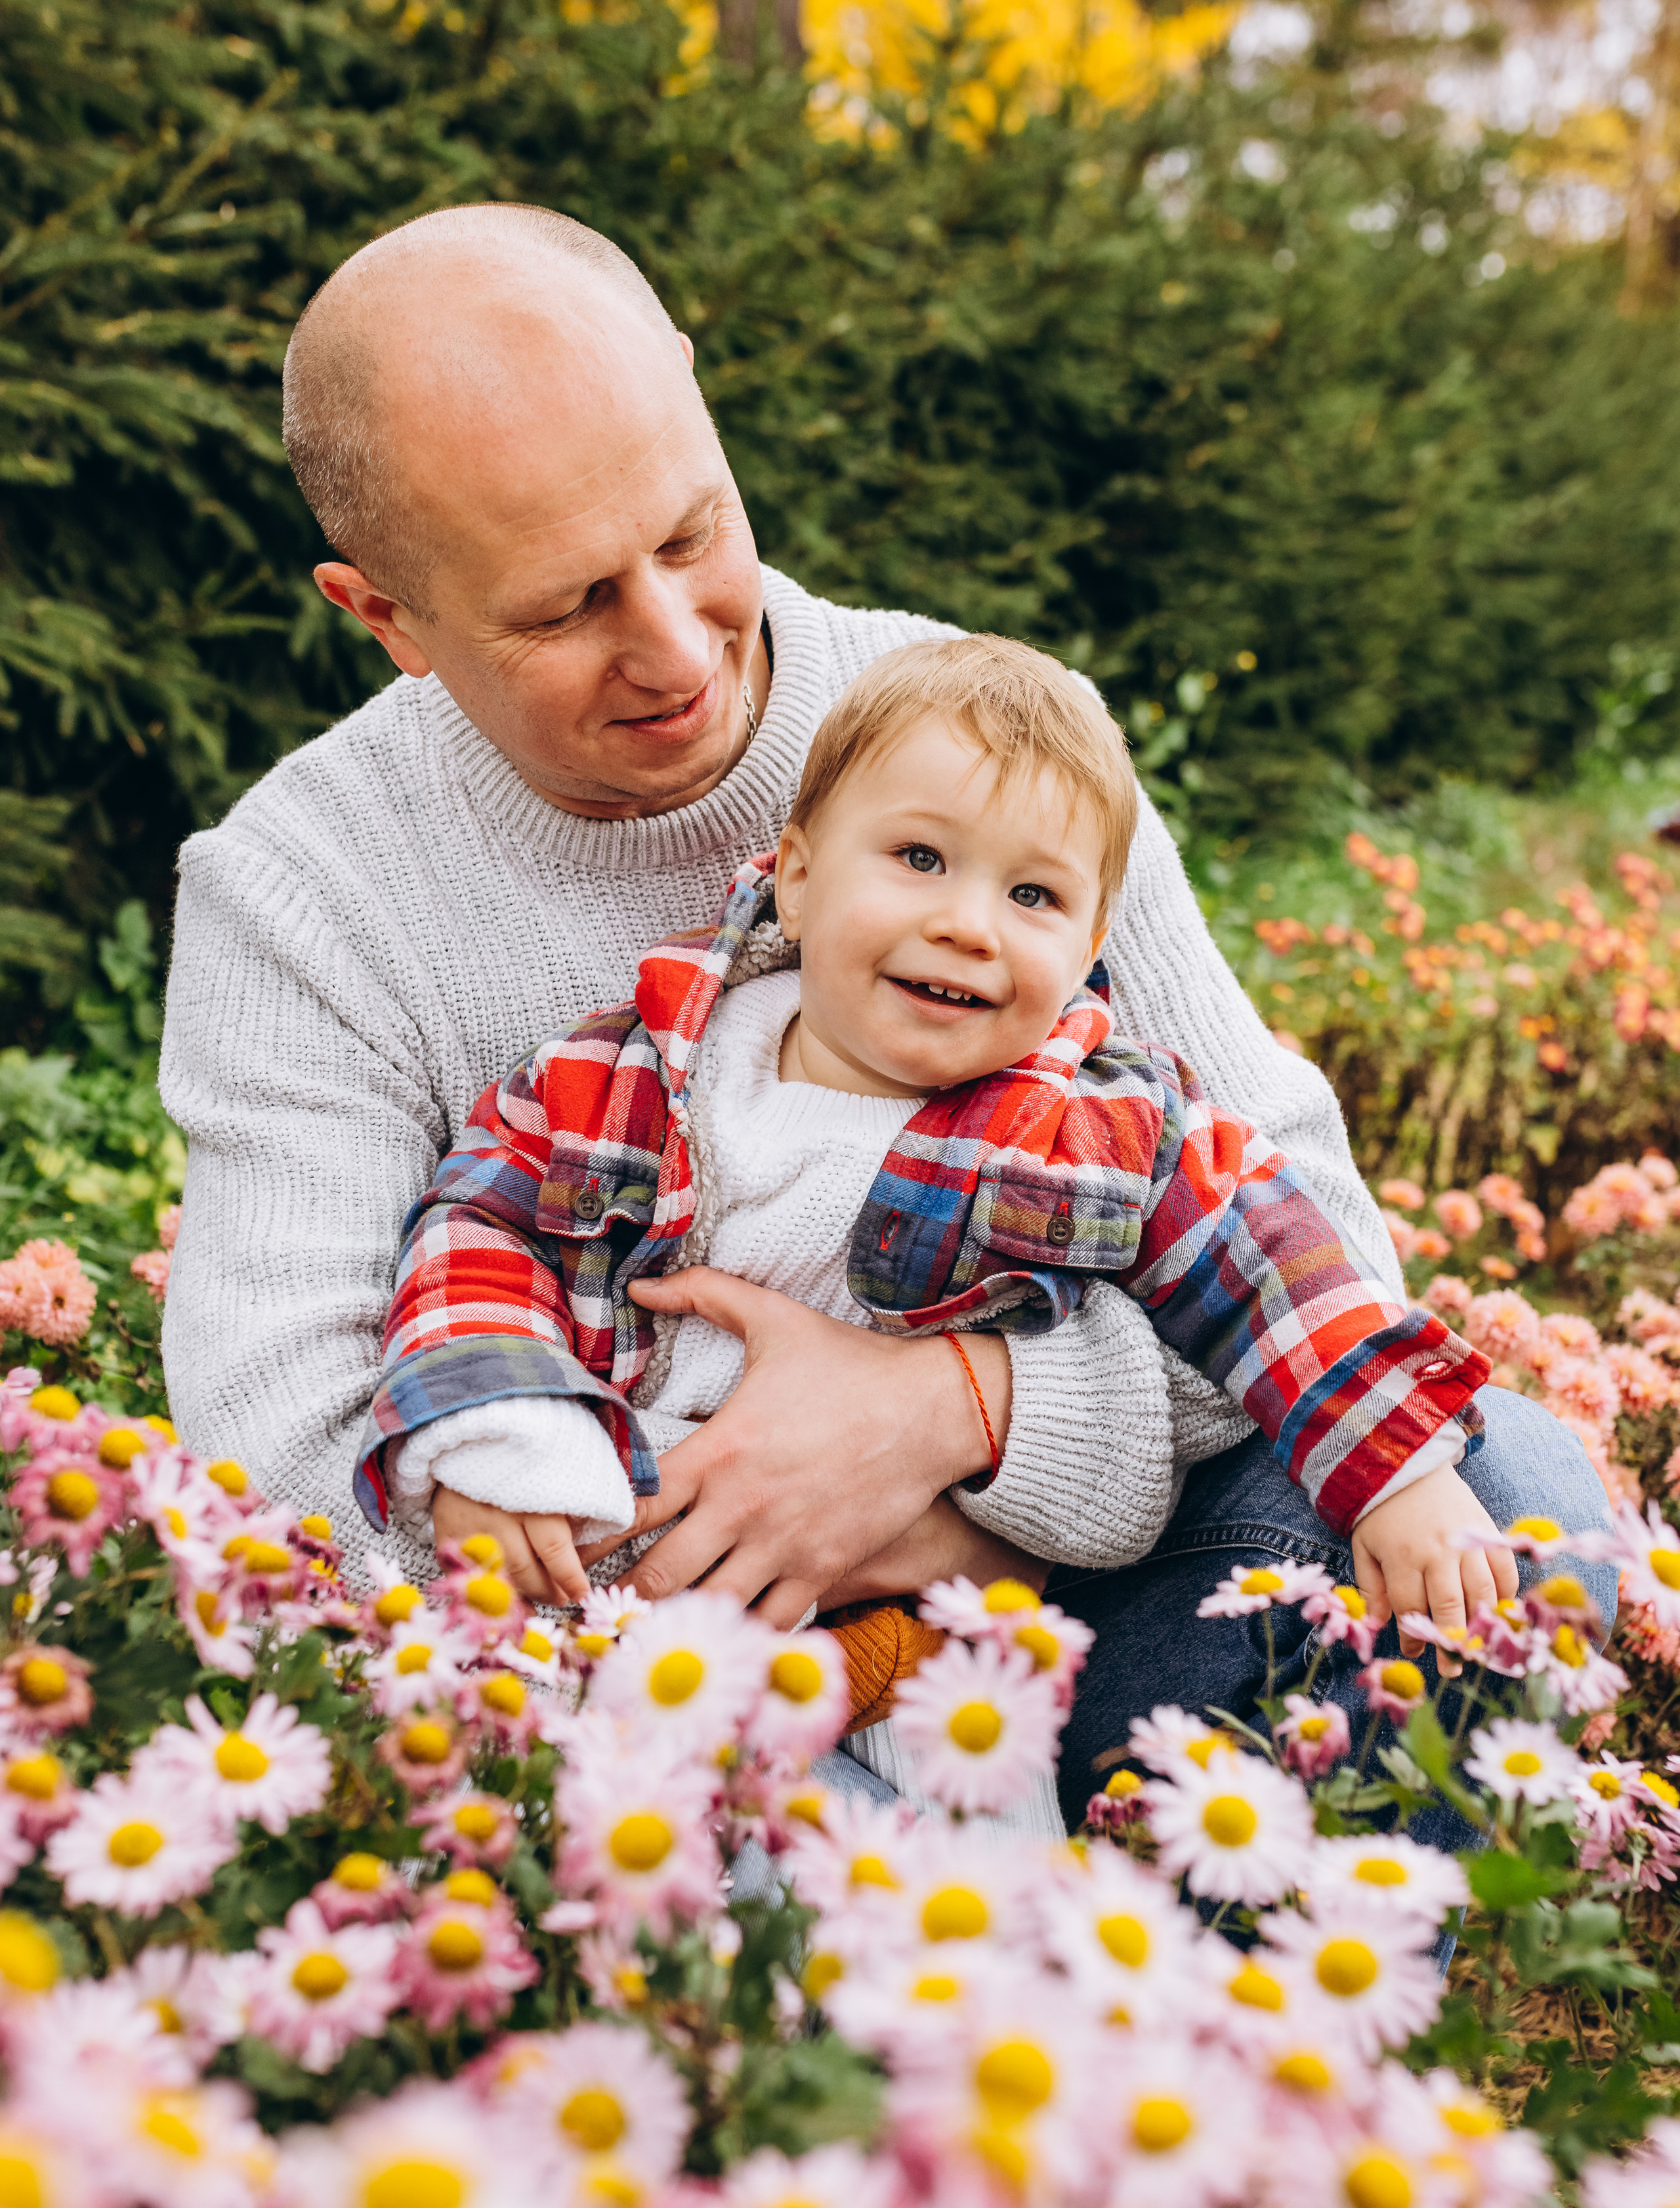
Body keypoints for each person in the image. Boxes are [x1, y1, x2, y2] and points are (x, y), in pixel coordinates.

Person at [157, 201, 1612, 1829]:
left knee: (1509, 1495)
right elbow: (286, 1457)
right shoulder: (302, 897)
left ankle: (1201, 1938)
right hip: (636, 1664)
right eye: (563, 609)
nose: (672, 647)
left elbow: (1291, 1221)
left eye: (691, 533)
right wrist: (708, 1539)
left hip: (1071, 1581)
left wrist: (960, 1427)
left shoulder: (985, 745)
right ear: (384, 615)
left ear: (696, 395)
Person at [364, 632, 1511, 1816]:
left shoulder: (1089, 1126)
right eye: (920, 857)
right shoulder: (636, 1074)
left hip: (923, 1654)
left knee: (961, 1881)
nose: (971, 924)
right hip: (618, 1587)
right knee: (610, 1831)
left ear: (1091, 946)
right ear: (797, 877)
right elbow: (478, 1226)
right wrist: (496, 1434)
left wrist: (1395, 1470)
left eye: (1034, 895)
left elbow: (1273, 1261)